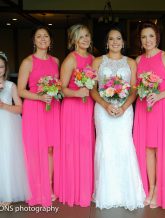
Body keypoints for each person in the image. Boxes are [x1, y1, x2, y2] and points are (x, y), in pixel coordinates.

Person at [91, 27, 145, 210]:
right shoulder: (97, 61)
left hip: (125, 110)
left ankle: (127, 192)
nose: (115, 42)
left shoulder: (131, 62)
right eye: (111, 39)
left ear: (123, 42)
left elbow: (134, 89)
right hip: (102, 109)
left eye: (119, 38)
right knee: (105, 146)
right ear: (107, 42)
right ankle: (106, 193)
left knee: (124, 145)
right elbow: (92, 89)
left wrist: (123, 107)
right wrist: (106, 105)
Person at [133, 21, 165, 209]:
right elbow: (136, 88)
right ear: (140, 40)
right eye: (144, 37)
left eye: (151, 36)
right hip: (144, 109)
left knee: (162, 149)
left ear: (157, 37)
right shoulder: (138, 61)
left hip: (163, 108)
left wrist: (159, 95)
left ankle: (161, 189)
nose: (148, 40)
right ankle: (151, 188)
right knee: (147, 150)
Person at [18, 26, 60, 206]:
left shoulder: (56, 61)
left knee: (50, 149)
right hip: (34, 109)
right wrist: (40, 96)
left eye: (46, 36)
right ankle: (36, 188)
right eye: (38, 36)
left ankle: (49, 186)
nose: (43, 39)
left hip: (52, 108)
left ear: (50, 41)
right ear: (34, 41)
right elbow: (20, 90)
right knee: (35, 150)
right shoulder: (27, 62)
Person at [56, 24, 95, 207]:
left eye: (87, 35)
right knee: (73, 148)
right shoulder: (70, 60)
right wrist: (77, 93)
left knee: (87, 147)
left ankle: (86, 190)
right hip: (72, 108)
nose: (85, 39)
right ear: (74, 40)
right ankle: (73, 190)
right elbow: (61, 89)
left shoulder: (94, 59)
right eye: (81, 37)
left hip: (88, 108)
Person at [0, 52, 29, 206]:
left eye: (1, 66)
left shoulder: (11, 85)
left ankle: (7, 195)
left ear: (5, 69)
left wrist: (4, 106)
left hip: (7, 125)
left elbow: (20, 108)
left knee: (6, 157)